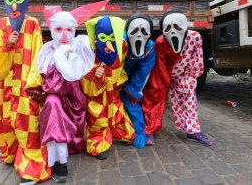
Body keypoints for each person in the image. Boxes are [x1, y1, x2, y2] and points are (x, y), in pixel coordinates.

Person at [0, 0, 50, 185]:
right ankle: (11, 152)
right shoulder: (2, 25)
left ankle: (31, 162)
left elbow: (38, 53)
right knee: (4, 122)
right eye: (10, 0)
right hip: (6, 83)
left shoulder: (31, 24)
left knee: (28, 123)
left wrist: (33, 83)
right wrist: (6, 45)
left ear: (26, 1)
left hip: (24, 84)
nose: (13, 5)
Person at [37, 0, 108, 182]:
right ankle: (59, 161)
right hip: (56, 94)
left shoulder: (79, 46)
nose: (64, 34)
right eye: (59, 29)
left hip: (76, 95)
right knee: (52, 106)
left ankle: (80, 145)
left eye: (69, 29)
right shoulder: (47, 50)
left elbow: (86, 69)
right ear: (52, 30)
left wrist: (96, 71)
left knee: (81, 122)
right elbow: (43, 77)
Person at [143, 8, 213, 146]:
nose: (173, 31)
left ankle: (193, 131)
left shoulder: (195, 37)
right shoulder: (160, 43)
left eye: (177, 26)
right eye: (168, 28)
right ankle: (149, 129)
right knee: (154, 96)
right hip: (163, 75)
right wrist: (164, 85)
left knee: (188, 94)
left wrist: (191, 78)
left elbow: (197, 59)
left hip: (183, 74)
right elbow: (160, 66)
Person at [81, 16, 135, 160]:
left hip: (113, 90)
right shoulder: (89, 49)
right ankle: (97, 145)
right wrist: (94, 71)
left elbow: (122, 64)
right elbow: (82, 68)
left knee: (117, 113)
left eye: (112, 36)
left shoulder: (122, 46)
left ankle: (123, 134)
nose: (108, 42)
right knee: (98, 118)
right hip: (97, 93)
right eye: (104, 37)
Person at [120, 13, 156, 148]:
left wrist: (132, 90)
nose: (139, 35)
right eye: (135, 31)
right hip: (118, 72)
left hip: (135, 74)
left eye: (144, 31)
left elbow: (144, 71)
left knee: (132, 102)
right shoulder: (120, 41)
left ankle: (138, 131)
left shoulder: (150, 48)